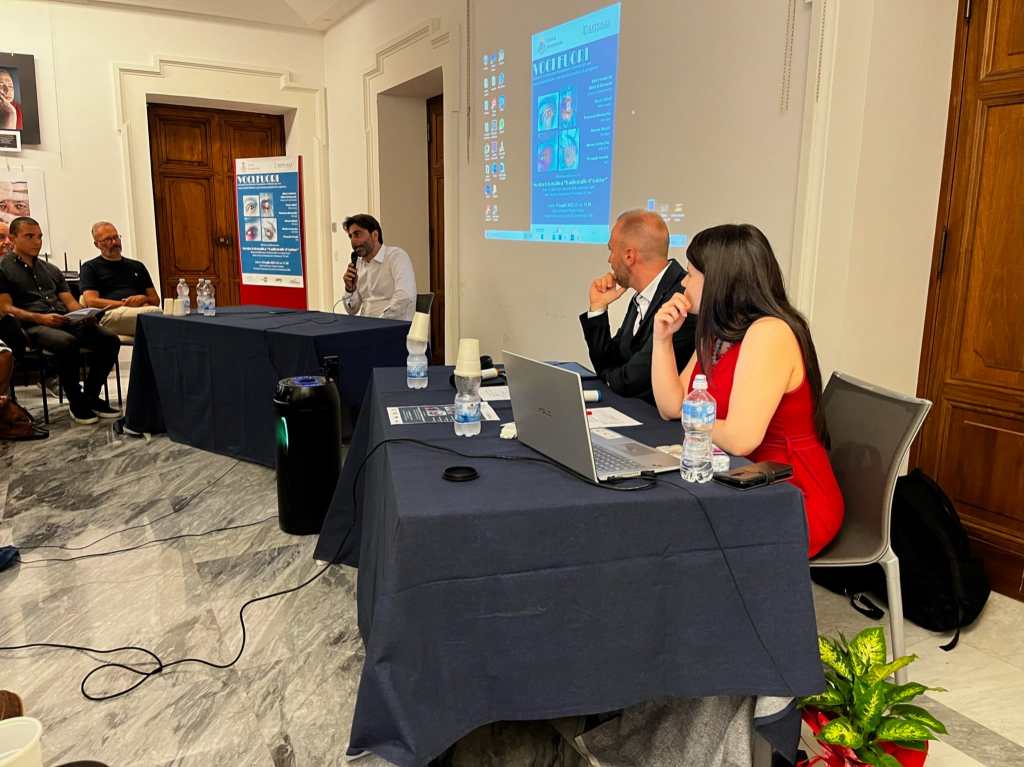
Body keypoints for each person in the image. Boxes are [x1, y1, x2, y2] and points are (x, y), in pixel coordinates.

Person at [651, 223, 843, 556]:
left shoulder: (770, 333)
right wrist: (662, 339)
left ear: (719, 280)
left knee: (674, 535)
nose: (683, 283)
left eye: (692, 274)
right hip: (738, 477)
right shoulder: (719, 332)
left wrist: (692, 419)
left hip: (788, 493)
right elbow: (671, 406)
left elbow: (741, 438)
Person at [0, 216, 120, 425]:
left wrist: (85, 314)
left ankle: (91, 395)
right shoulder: (3, 269)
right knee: (66, 342)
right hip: (31, 325)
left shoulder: (51, 269)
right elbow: (5, 307)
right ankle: (76, 401)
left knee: (109, 339)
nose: (37, 242)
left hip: (62, 319)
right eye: (29, 236)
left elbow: (70, 302)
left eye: (39, 237)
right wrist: (41, 318)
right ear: (13, 238)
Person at [580, 210, 697, 403]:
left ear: (629, 256)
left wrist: (606, 377)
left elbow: (631, 382)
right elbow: (610, 361)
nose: (609, 260)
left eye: (611, 250)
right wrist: (598, 308)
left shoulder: (681, 301)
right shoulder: (642, 295)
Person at [79, 222, 161, 337]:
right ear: (97, 244)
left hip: (141, 309)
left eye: (116, 237)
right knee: (154, 315)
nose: (114, 242)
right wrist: (126, 304)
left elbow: (155, 300)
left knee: (159, 316)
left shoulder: (137, 266)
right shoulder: (90, 267)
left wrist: (143, 298)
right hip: (110, 313)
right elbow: (92, 301)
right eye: (108, 239)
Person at [342, 214, 416, 321]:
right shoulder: (358, 264)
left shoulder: (396, 257)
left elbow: (404, 297)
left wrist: (379, 322)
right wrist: (350, 289)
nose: (353, 241)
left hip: (392, 325)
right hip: (366, 326)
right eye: (350, 236)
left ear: (375, 235)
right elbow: (352, 310)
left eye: (357, 234)